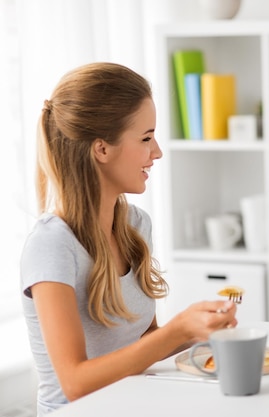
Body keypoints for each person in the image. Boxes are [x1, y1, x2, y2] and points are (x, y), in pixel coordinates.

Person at [20, 62, 238, 416]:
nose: (157, 152)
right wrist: (177, 329)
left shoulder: (135, 225)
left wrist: (193, 330)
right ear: (102, 149)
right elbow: (75, 383)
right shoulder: (52, 245)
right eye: (146, 138)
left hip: (133, 403)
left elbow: (141, 345)